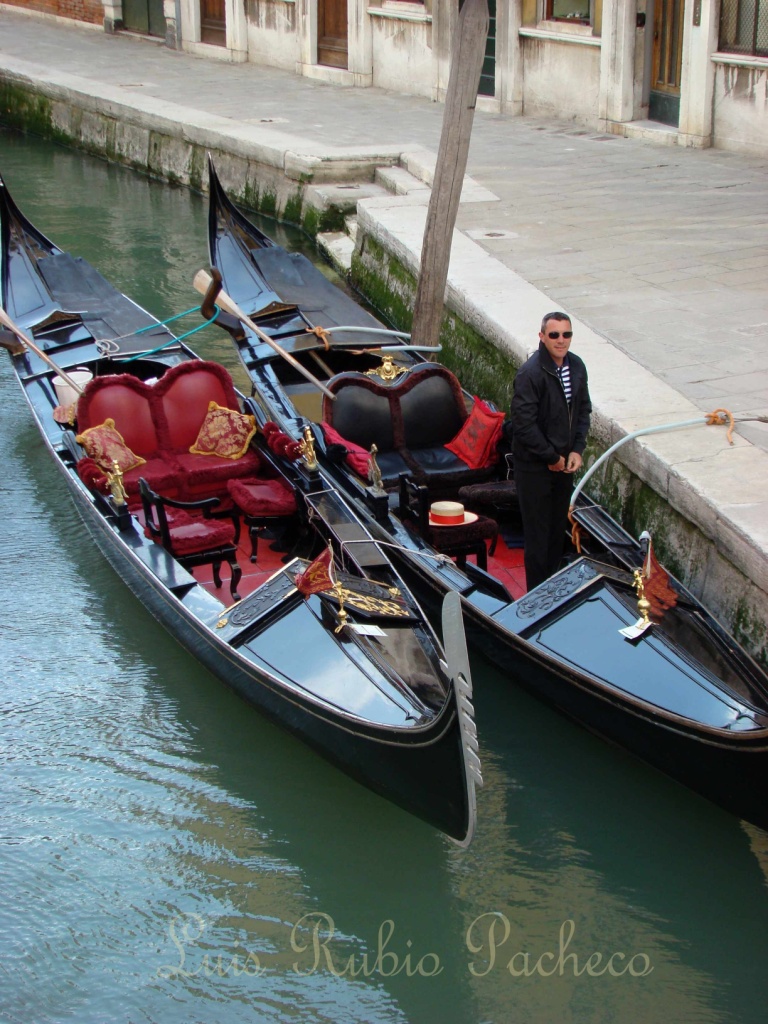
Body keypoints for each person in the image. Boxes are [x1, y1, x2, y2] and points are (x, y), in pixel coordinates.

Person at [510, 311, 592, 591]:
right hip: (534, 467)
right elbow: (524, 426)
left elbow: (582, 412)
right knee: (537, 535)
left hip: (563, 466)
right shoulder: (530, 373)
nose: (561, 340)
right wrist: (551, 457)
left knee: (558, 532)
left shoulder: (577, 367)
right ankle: (536, 595)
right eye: (554, 334)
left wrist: (577, 450)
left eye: (566, 334)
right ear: (542, 337)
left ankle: (553, 592)